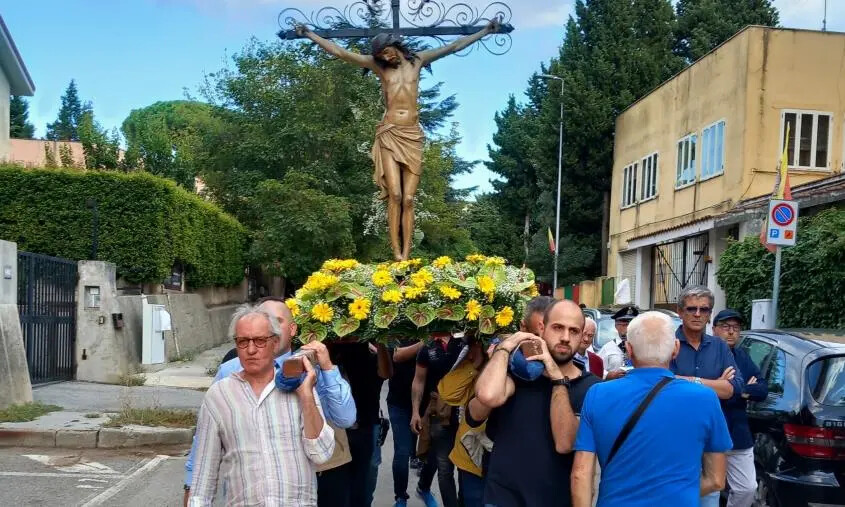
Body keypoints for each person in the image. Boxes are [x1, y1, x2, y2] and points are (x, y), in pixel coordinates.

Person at [296, 20, 500, 260]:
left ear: (395, 46)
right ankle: (396, 254)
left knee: (410, 199)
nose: (385, 57)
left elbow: (454, 46)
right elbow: (341, 52)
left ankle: (407, 251)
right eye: (380, 55)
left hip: (412, 135)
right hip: (390, 133)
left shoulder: (419, 61)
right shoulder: (379, 68)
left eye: (386, 51)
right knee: (395, 195)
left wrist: (485, 31)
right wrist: (311, 34)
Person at [183, 297, 356, 504]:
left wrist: (311, 388)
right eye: (243, 342)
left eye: (260, 340)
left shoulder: (307, 372)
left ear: (277, 339)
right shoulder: (222, 388)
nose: (251, 349)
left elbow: (330, 440)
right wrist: (190, 487)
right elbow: (204, 464)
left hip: (319, 481)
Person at [571, 312, 732, 507]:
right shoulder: (705, 398)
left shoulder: (598, 394)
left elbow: (581, 474)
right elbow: (716, 479)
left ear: (629, 350)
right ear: (676, 349)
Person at [475, 299, 600, 507]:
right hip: (503, 498)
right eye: (558, 328)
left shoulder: (592, 388)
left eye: (574, 331)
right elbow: (488, 396)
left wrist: (557, 378)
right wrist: (505, 348)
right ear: (541, 329)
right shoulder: (517, 375)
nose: (565, 338)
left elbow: (565, 443)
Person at [670, 286, 744, 507]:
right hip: (676, 433)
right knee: (674, 494)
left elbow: (734, 387)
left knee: (710, 495)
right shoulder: (668, 344)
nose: (697, 314)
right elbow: (664, 385)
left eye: (704, 309)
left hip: (710, 434)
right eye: (691, 308)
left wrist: (690, 380)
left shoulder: (719, 346)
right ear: (680, 311)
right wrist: (716, 384)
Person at [326, 340, 392, 507]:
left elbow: (385, 373)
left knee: (364, 479)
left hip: (365, 424)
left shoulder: (370, 356)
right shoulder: (332, 356)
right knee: (339, 482)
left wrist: (380, 342)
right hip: (337, 430)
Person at [713, 309, 768, 507]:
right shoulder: (707, 354)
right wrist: (742, 389)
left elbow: (761, 389)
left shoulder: (742, 356)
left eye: (735, 328)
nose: (731, 332)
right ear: (714, 329)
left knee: (747, 488)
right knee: (709, 489)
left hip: (737, 431)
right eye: (726, 327)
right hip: (710, 430)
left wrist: (731, 388)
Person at [411, 332, 466, 507]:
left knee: (463, 465)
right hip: (439, 412)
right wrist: (415, 412)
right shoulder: (428, 345)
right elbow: (419, 380)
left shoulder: (465, 341)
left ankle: (424, 485)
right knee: (445, 467)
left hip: (466, 411)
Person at [437, 339, 493, 507]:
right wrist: (475, 363)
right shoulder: (476, 361)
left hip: (506, 462)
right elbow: (448, 394)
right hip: (472, 460)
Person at [387, 338, 424, 507]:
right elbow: (397, 355)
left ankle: (424, 487)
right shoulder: (398, 324)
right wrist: (424, 342)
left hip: (427, 403)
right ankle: (400, 496)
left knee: (433, 455)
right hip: (399, 402)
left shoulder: (434, 324)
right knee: (401, 452)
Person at [597, 306, 638, 379]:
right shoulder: (608, 348)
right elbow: (596, 369)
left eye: (632, 325)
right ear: (616, 326)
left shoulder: (640, 346)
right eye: (624, 325)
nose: (628, 328)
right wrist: (609, 375)